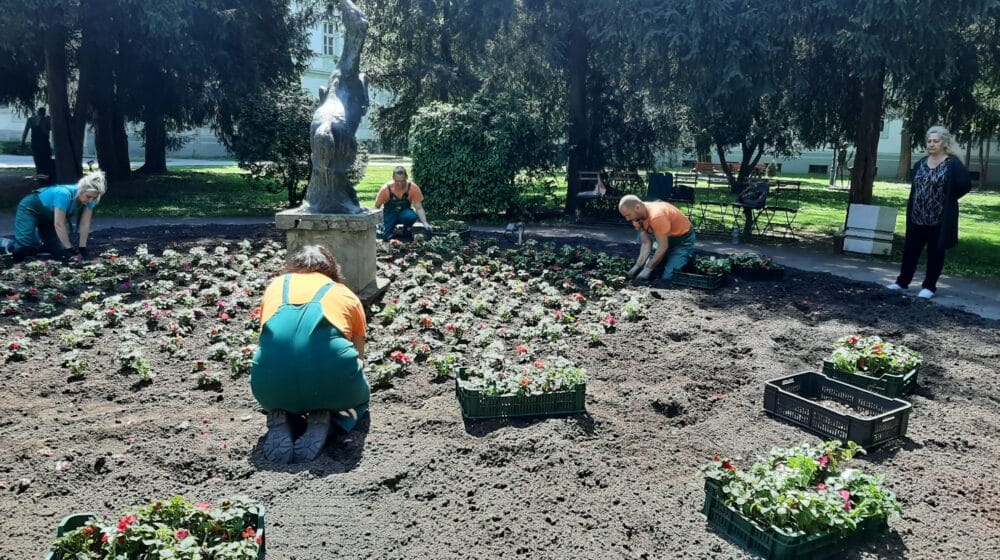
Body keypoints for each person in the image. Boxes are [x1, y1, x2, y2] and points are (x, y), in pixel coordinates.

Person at [250, 245, 370, 464]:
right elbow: (359, 357)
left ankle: (288, 418)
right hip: (333, 385)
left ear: (293, 267)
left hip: (270, 390)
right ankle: (333, 420)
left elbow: (267, 339)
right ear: (332, 270)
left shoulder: (276, 286)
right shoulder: (344, 293)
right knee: (359, 400)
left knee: (285, 387)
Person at [886, 126, 972, 299]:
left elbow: (965, 185)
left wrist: (948, 198)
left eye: (936, 141)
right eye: (929, 141)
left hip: (939, 219)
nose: (931, 144)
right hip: (917, 216)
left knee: (935, 253)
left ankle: (929, 287)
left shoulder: (953, 164)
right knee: (910, 251)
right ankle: (902, 282)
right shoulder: (921, 163)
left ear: (944, 143)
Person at [0, 171, 106, 264]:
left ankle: (36, 242)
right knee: (21, 250)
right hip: (30, 210)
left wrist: (82, 247)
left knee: (57, 250)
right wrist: (69, 248)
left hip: (49, 219)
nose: (90, 200)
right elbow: (59, 224)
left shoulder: (91, 199)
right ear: (81, 190)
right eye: (88, 196)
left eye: (94, 198)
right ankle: (4, 242)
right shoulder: (64, 194)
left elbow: (85, 224)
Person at [618, 194, 696, 288]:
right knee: (651, 272)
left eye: (628, 215)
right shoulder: (636, 218)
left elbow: (663, 246)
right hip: (663, 239)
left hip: (682, 241)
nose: (627, 219)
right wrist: (637, 266)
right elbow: (646, 243)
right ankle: (666, 259)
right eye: (625, 216)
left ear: (637, 207)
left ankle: (684, 257)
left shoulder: (657, 216)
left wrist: (648, 268)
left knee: (667, 278)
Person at [373, 166, 432, 240]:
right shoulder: (386, 189)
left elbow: (419, 208)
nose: (400, 184)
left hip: (404, 213)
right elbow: (376, 207)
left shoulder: (413, 188)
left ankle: (407, 231)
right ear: (393, 178)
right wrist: (378, 222)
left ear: (406, 178)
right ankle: (392, 232)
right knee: (385, 236)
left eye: (402, 181)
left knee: (410, 216)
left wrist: (425, 223)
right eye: (397, 181)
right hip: (389, 214)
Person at [21, 107, 53, 177]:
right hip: (44, 142)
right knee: (46, 159)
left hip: (35, 142)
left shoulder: (31, 120)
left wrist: (23, 141)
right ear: (44, 112)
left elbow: (25, 131)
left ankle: (39, 173)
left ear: (37, 112)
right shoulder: (47, 120)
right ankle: (45, 174)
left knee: (37, 159)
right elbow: (51, 128)